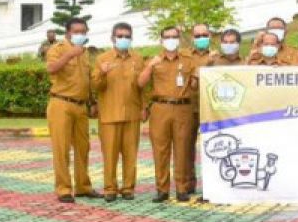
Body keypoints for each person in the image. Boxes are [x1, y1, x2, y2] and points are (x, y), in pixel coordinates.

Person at [138, 25, 196, 202]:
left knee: (182, 149)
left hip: (182, 108)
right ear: (161, 40)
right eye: (167, 37)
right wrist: (149, 66)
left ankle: (181, 188)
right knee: (160, 150)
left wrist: (198, 76)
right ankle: (162, 189)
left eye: (174, 37)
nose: (171, 40)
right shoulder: (153, 60)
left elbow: (194, 85)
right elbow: (140, 83)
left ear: (179, 39)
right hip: (160, 108)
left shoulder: (188, 60)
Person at [44, 17, 98, 203]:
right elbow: (51, 69)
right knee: (62, 148)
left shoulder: (84, 52)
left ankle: (83, 186)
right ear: (67, 32)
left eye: (83, 31)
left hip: (81, 105)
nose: (80, 35)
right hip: (61, 103)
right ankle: (64, 189)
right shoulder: (57, 49)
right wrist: (69, 55)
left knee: (83, 148)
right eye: (76, 31)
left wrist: (93, 102)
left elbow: (86, 80)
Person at [91, 22, 145, 202]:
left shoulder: (137, 59)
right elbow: (96, 86)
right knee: (110, 154)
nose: (123, 39)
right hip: (109, 114)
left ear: (131, 38)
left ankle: (128, 188)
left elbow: (143, 87)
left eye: (127, 36)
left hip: (132, 114)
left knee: (131, 154)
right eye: (120, 35)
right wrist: (102, 73)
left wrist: (144, 108)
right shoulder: (102, 59)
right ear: (112, 38)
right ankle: (110, 189)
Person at [182, 22, 213, 196]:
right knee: (186, 148)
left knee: (214, 148)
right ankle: (188, 184)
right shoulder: (185, 57)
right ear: (192, 37)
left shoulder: (219, 56)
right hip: (189, 108)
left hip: (212, 110)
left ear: (210, 35)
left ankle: (212, 184)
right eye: (197, 35)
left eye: (204, 34)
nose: (201, 38)